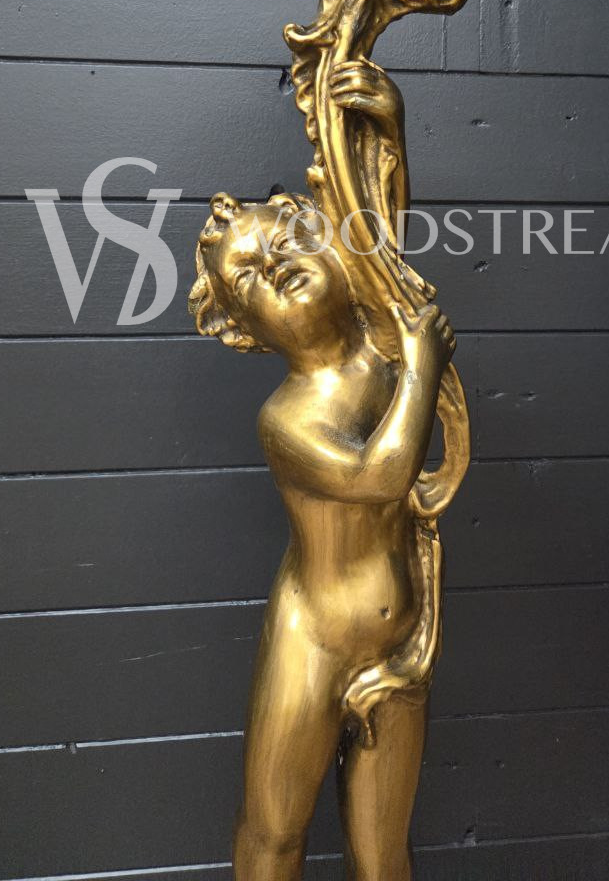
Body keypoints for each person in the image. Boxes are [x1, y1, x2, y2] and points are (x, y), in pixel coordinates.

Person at [189, 178, 454, 881]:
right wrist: (423, 365)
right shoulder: (287, 419)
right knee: (274, 830)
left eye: (284, 242)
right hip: (311, 642)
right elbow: (380, 475)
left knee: (383, 848)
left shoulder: (383, 339)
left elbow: (377, 196)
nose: (275, 265)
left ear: (334, 246)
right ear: (244, 329)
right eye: (249, 277)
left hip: (396, 648)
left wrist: (380, 114)